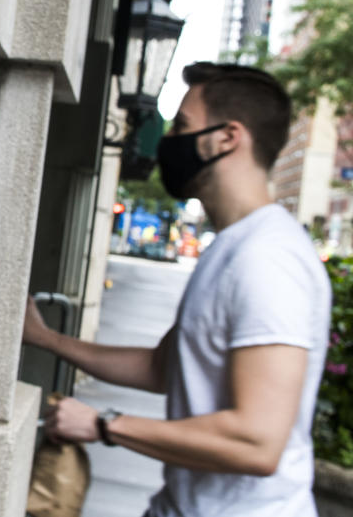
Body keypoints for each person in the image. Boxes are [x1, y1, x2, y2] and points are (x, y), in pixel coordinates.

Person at [23, 62, 332, 516]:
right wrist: (46, 338)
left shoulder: (267, 260)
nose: (168, 140)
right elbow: (163, 368)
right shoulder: (234, 247)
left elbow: (258, 441)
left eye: (182, 126)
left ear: (226, 138)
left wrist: (105, 424)